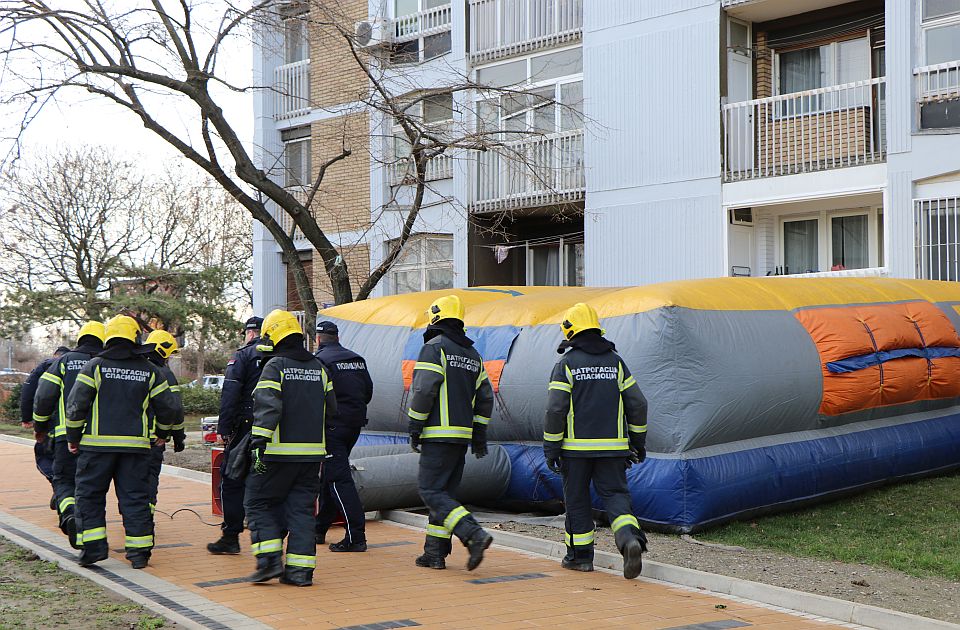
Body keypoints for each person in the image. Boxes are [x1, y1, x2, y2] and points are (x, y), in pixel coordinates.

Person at [64, 314, 180, 569]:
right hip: (136, 450)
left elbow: (76, 407)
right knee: (136, 499)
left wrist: (73, 438)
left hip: (96, 449)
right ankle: (139, 554)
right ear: (135, 338)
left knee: (90, 497)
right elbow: (168, 407)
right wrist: (162, 433)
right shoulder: (150, 370)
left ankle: (93, 549)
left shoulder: (94, 366)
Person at [542, 302, 649, 579]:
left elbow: (556, 409)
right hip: (613, 450)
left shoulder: (566, 364)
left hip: (575, 452)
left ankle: (580, 559)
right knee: (616, 497)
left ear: (570, 331)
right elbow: (637, 404)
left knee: (577, 502)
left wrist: (551, 447)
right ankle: (628, 540)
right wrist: (637, 441)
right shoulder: (616, 362)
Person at [244, 309, 336, 586]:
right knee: (301, 510)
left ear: (274, 336)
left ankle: (269, 561)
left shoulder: (275, 366)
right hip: (311, 456)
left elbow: (267, 407)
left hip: (276, 454)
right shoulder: (320, 368)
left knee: (258, 502)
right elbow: (332, 410)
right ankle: (300, 572)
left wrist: (258, 443)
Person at [407, 294, 494, 571]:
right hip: (461, 437)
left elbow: (423, 389)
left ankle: (473, 534)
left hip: (437, 434)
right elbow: (486, 397)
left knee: (430, 491)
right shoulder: (472, 354)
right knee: (444, 494)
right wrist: (478, 433)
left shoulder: (435, 348)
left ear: (435, 317)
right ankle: (434, 552)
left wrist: (415, 425)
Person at [33, 323, 104, 548]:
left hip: (65, 435)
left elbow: (44, 396)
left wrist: (40, 426)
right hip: (98, 439)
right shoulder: (107, 363)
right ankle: (88, 529)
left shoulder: (63, 361)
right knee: (90, 487)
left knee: (64, 480)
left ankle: (69, 514)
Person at [313, 319, 373, 552]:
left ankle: (356, 536)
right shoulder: (356, 359)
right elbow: (367, 392)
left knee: (338, 479)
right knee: (330, 475)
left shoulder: (320, 361)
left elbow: (317, 397)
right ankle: (319, 528)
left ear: (318, 339)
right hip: (354, 425)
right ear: (337, 337)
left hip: (332, 428)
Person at [208, 316, 264, 555]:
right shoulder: (284, 356)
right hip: (279, 429)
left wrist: (224, 429)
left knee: (232, 479)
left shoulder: (243, 355)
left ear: (250, 333)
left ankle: (230, 536)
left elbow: (230, 393)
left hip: (246, 427)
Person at [143, 330, 186, 518]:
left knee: (131, 479)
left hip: (132, 437)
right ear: (163, 351)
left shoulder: (137, 368)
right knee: (150, 477)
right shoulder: (165, 374)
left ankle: (132, 511)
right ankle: (146, 515)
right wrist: (178, 437)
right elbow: (174, 408)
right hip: (155, 438)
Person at [21, 345, 70, 503]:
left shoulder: (45, 366)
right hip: (77, 425)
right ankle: (63, 489)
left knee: (44, 455)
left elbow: (29, 391)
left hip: (50, 423)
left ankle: (60, 487)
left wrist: (27, 418)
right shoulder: (78, 365)